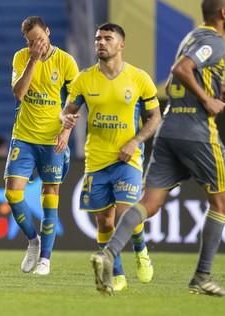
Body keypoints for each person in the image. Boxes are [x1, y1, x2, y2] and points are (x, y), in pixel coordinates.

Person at [89, 0, 225, 297]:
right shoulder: (215, 41)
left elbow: (180, 80)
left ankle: (108, 254)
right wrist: (208, 99)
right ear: (223, 13)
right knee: (222, 203)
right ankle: (202, 276)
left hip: (169, 129)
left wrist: (215, 90)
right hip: (196, 132)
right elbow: (181, 71)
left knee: (149, 203)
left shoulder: (191, 37)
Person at [60, 23, 160, 292]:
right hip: (96, 160)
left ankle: (140, 251)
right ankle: (117, 274)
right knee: (104, 221)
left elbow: (155, 117)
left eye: (107, 38)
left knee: (126, 212)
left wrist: (136, 141)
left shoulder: (139, 78)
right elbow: (66, 110)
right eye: (97, 39)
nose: (101, 43)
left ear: (121, 45)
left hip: (128, 159)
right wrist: (65, 119)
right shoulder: (83, 79)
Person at [4, 16, 79, 276]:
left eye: (41, 39)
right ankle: (33, 241)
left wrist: (66, 133)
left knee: (50, 197)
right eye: (32, 41)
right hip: (23, 136)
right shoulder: (21, 58)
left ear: (48, 32)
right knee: (13, 193)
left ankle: (46, 259)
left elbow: (74, 104)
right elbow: (19, 93)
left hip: (51, 139)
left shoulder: (66, 62)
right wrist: (33, 60)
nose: (38, 44)